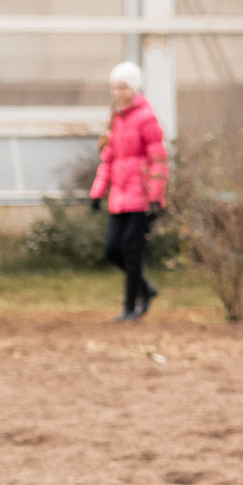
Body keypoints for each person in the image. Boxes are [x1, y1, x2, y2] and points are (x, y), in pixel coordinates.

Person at [90, 61, 166, 322]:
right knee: (112, 249)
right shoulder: (116, 118)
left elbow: (158, 157)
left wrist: (156, 196)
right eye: (114, 87)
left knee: (131, 252)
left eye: (122, 87)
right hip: (119, 196)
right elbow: (109, 157)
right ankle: (146, 288)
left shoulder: (146, 117)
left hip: (141, 196)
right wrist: (97, 191)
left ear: (134, 88)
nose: (117, 92)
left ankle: (130, 308)